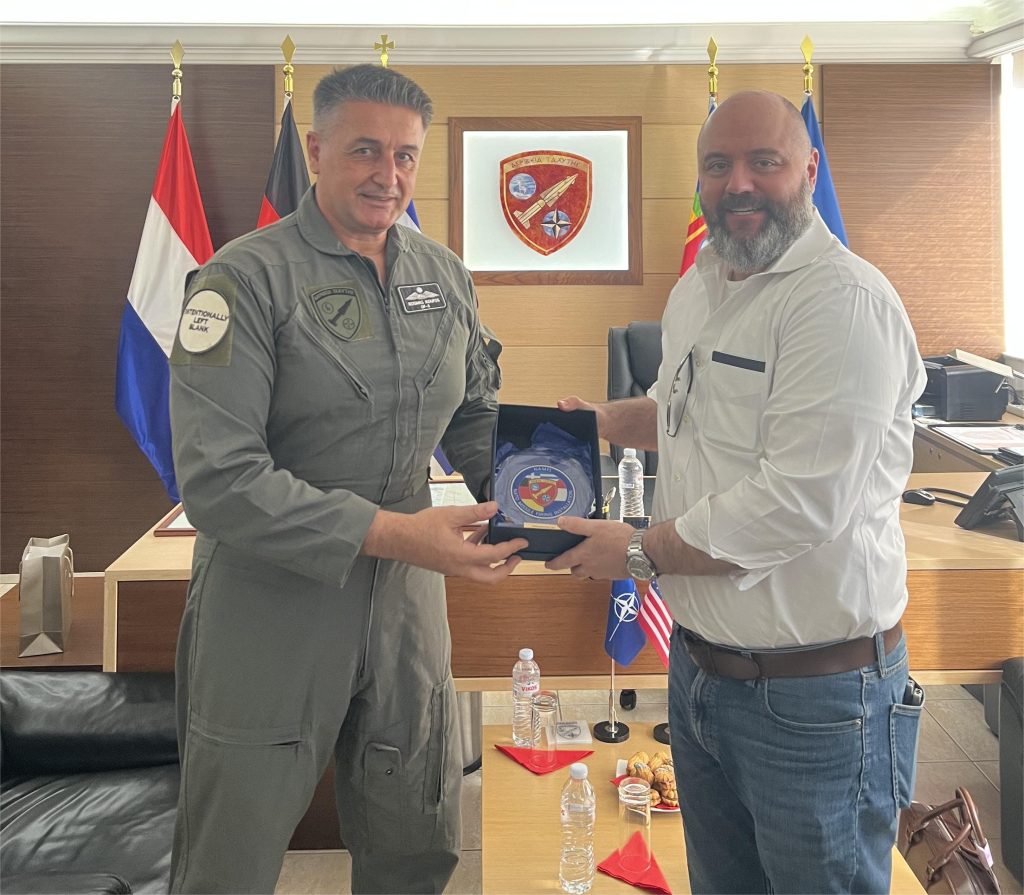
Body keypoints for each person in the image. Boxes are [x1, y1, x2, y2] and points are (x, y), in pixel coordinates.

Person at [549, 90, 927, 894]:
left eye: (765, 161)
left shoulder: (842, 303)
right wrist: (599, 422)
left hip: (815, 701)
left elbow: (795, 502)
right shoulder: (699, 287)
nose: (738, 183)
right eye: (718, 165)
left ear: (810, 169)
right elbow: (680, 413)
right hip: (700, 678)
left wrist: (638, 551)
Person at [167, 64, 527, 894]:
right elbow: (218, 479)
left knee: (415, 843)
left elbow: (475, 411)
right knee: (228, 859)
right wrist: (396, 533)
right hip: (270, 604)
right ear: (316, 149)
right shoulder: (241, 280)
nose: (387, 175)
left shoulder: (443, 275)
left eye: (405, 155)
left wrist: (538, 493)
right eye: (366, 150)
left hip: (407, 609)